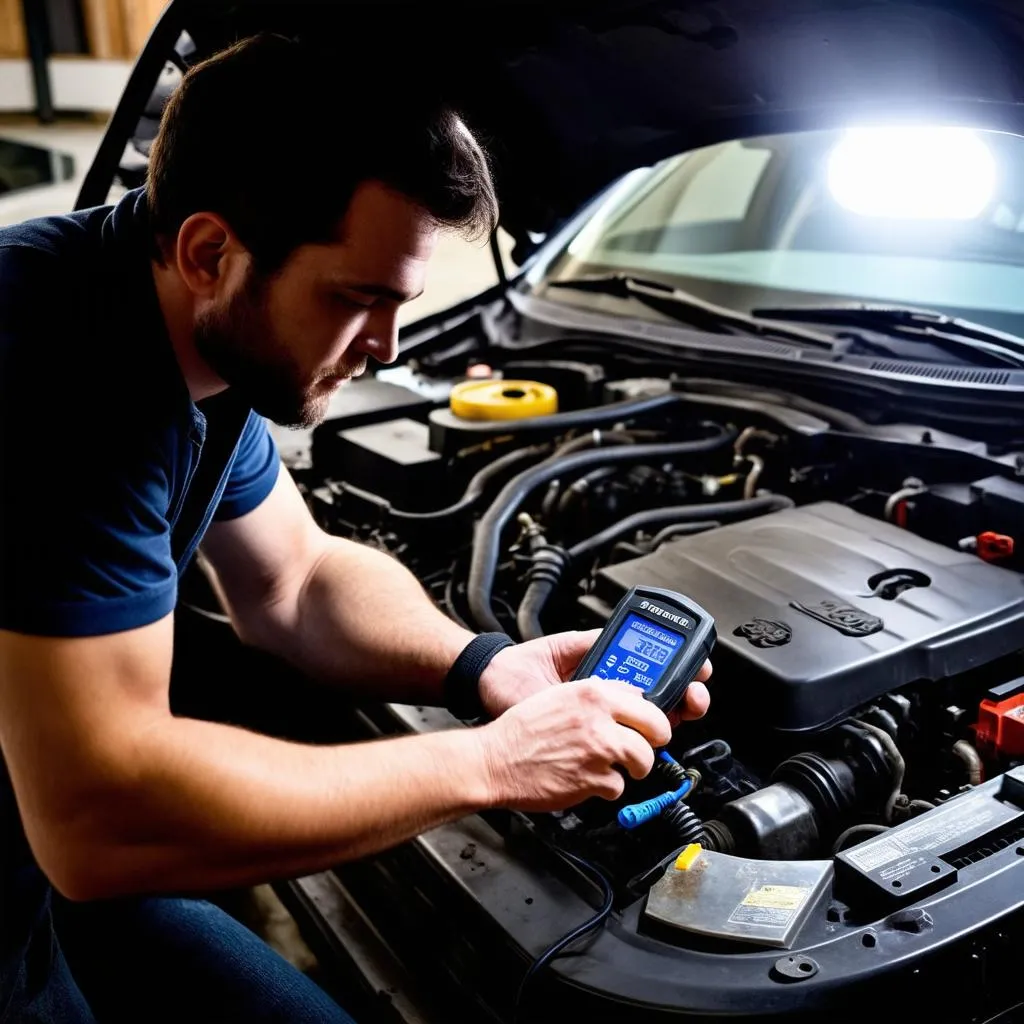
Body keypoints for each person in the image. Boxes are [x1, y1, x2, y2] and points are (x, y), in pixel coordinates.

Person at [0, 33, 712, 1024]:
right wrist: (494, 762)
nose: (381, 351)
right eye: (355, 300)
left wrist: (483, 666)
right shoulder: (56, 371)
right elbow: (97, 819)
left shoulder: (196, 336)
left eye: (398, 303)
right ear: (211, 250)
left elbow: (294, 577)